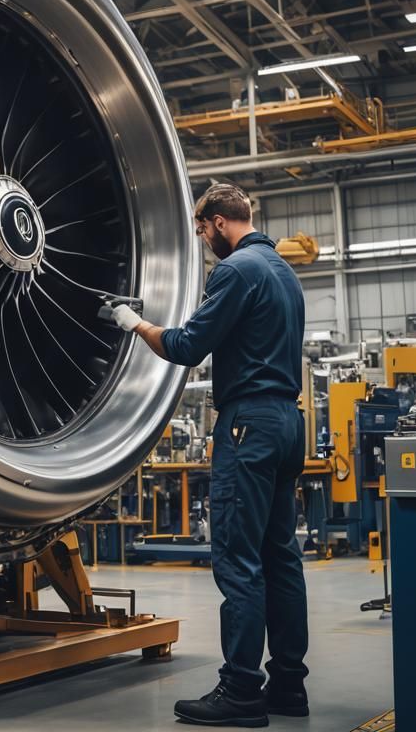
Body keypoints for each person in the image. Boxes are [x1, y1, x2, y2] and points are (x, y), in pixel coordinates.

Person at [109, 183, 308, 729]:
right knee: (280, 557)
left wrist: (134, 324)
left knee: (238, 562)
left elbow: (185, 347)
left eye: (201, 230)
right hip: (289, 422)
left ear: (218, 222)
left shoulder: (237, 270)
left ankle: (242, 691)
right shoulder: (283, 271)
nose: (202, 241)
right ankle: (289, 684)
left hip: (249, 426)